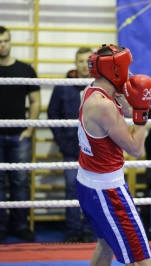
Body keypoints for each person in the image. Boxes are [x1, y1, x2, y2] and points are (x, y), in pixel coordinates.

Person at [76, 44, 151, 266]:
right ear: (114, 69)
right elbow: (135, 149)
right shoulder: (103, 106)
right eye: (126, 67)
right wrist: (143, 116)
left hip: (88, 184)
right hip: (108, 190)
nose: (129, 72)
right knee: (141, 259)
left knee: (106, 245)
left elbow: (129, 109)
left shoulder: (91, 90)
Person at [47, 47, 94, 243]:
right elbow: (52, 114)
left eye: (87, 61)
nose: (84, 65)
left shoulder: (100, 86)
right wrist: (62, 142)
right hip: (70, 149)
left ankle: (89, 229)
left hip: (94, 151)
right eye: (80, 61)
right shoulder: (62, 86)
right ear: (75, 63)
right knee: (72, 189)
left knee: (92, 191)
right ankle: (74, 230)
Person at [0, 26, 41, 243]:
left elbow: (35, 101)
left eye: (5, 40)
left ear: (10, 41)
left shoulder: (25, 70)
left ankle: (21, 225)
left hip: (19, 136)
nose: (3, 45)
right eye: (0, 41)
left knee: (20, 182)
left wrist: (30, 128)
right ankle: (1, 228)